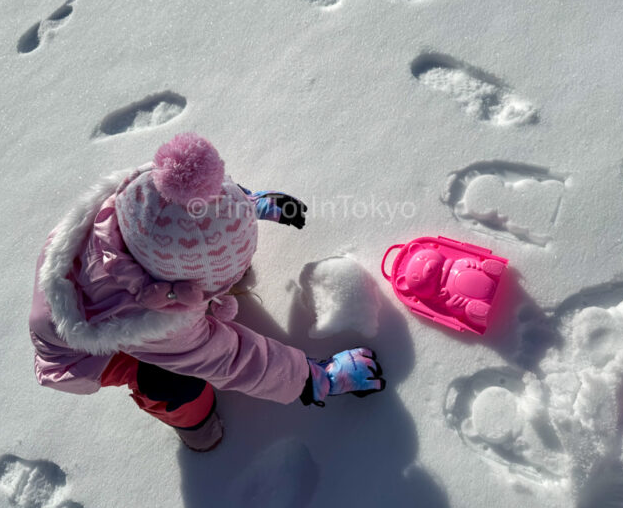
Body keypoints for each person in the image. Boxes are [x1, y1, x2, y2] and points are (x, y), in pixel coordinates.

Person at [29, 132, 385, 452]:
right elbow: (233, 359)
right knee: (173, 384)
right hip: (84, 353)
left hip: (91, 293)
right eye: (225, 277)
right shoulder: (158, 326)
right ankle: (197, 429)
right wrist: (316, 379)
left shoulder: (142, 197)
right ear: (178, 288)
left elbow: (192, 209)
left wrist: (250, 204)